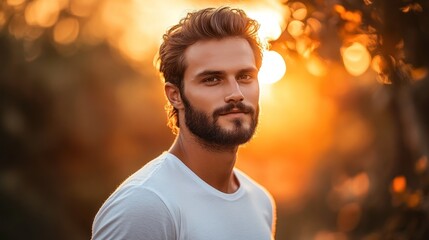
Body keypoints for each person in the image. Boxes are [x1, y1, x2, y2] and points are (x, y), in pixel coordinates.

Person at [92, 6, 276, 240]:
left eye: (245, 76)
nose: (236, 93)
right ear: (175, 95)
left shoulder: (260, 202)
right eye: (212, 79)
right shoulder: (145, 205)